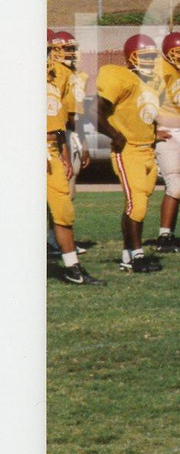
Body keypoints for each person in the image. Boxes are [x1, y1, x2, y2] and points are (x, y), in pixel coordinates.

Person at [96, 34, 166, 274]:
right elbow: (95, 112)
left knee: (139, 205)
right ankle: (137, 256)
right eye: (144, 56)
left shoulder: (151, 83)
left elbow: (145, 116)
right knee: (136, 205)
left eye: (151, 56)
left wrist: (155, 136)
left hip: (147, 150)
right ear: (131, 57)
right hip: (129, 151)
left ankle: (128, 255)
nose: (149, 61)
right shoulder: (122, 78)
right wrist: (115, 135)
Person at [47, 29, 101, 285]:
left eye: (49, 51)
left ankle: (72, 267)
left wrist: (65, 154)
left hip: (51, 148)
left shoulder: (63, 75)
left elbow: (60, 122)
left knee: (63, 209)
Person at [152, 31, 180, 253]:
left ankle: (169, 234)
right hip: (166, 132)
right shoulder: (160, 70)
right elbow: (143, 102)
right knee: (175, 185)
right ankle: (163, 238)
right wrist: (152, 132)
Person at [49, 30, 91, 193]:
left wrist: (83, 143)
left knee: (68, 190)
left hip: (69, 133)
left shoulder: (78, 75)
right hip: (57, 133)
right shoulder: (55, 74)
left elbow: (76, 115)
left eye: (73, 49)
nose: (71, 53)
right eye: (67, 49)